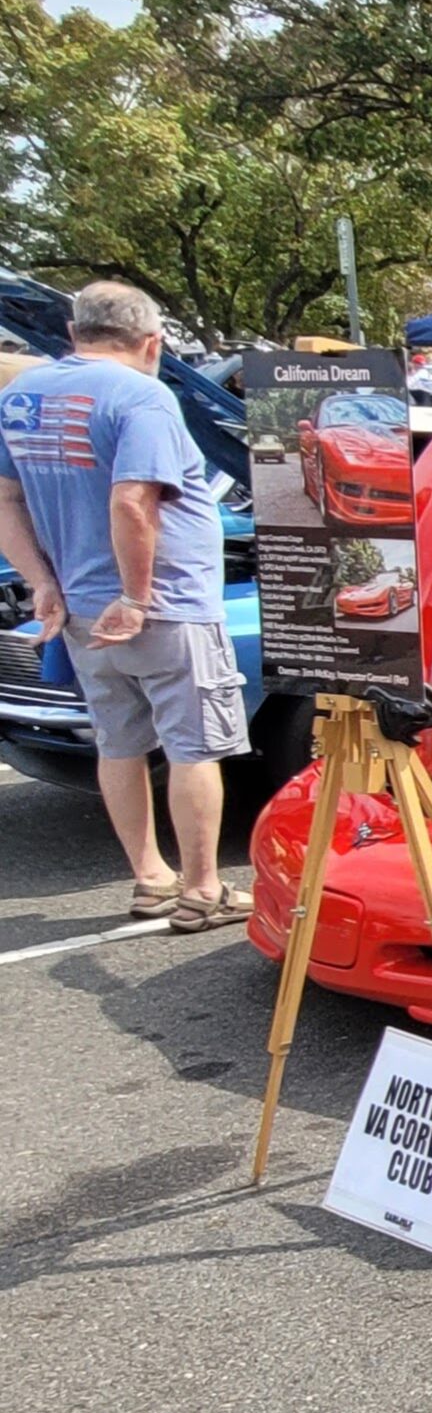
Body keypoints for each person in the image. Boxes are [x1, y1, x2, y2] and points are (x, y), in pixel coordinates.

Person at [0, 282, 250, 929]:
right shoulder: (141, 394)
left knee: (119, 744)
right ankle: (203, 891)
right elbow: (133, 502)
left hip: (79, 607)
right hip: (167, 605)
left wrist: (42, 583)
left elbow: (6, 499)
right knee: (195, 748)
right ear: (152, 343)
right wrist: (136, 598)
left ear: (74, 331)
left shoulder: (24, 394)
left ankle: (150, 879)